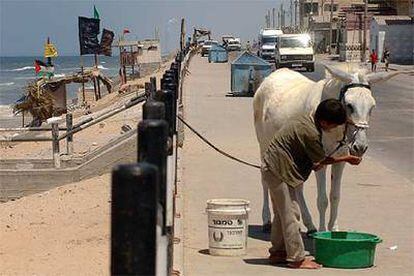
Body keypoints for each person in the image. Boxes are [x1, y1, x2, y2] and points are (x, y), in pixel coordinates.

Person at [262, 99, 362, 269]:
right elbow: (321, 162)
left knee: (282, 213)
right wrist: (346, 158)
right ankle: (297, 258)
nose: (332, 130)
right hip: (278, 170)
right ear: (324, 122)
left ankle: (277, 252)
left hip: (278, 169)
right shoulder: (310, 133)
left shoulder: (306, 119)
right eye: (333, 126)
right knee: (291, 214)